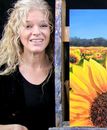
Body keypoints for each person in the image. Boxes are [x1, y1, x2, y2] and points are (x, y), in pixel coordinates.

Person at [0, 0, 55, 130]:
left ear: (51, 30)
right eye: (28, 26)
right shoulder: (3, 73)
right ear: (17, 32)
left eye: (43, 25)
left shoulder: (64, 71)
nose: (36, 32)